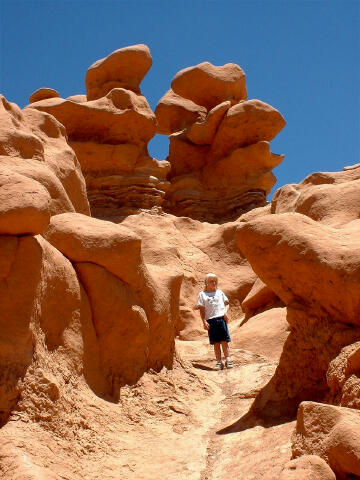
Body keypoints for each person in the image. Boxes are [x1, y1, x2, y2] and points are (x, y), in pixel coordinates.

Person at [197, 273, 233, 370]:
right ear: (206, 283)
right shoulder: (202, 294)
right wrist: (204, 321)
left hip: (221, 319)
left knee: (224, 341)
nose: (213, 283)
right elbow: (201, 309)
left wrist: (225, 312)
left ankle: (228, 360)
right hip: (211, 321)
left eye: (215, 282)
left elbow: (227, 304)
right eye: (211, 281)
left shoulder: (220, 292)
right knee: (216, 343)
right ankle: (219, 362)